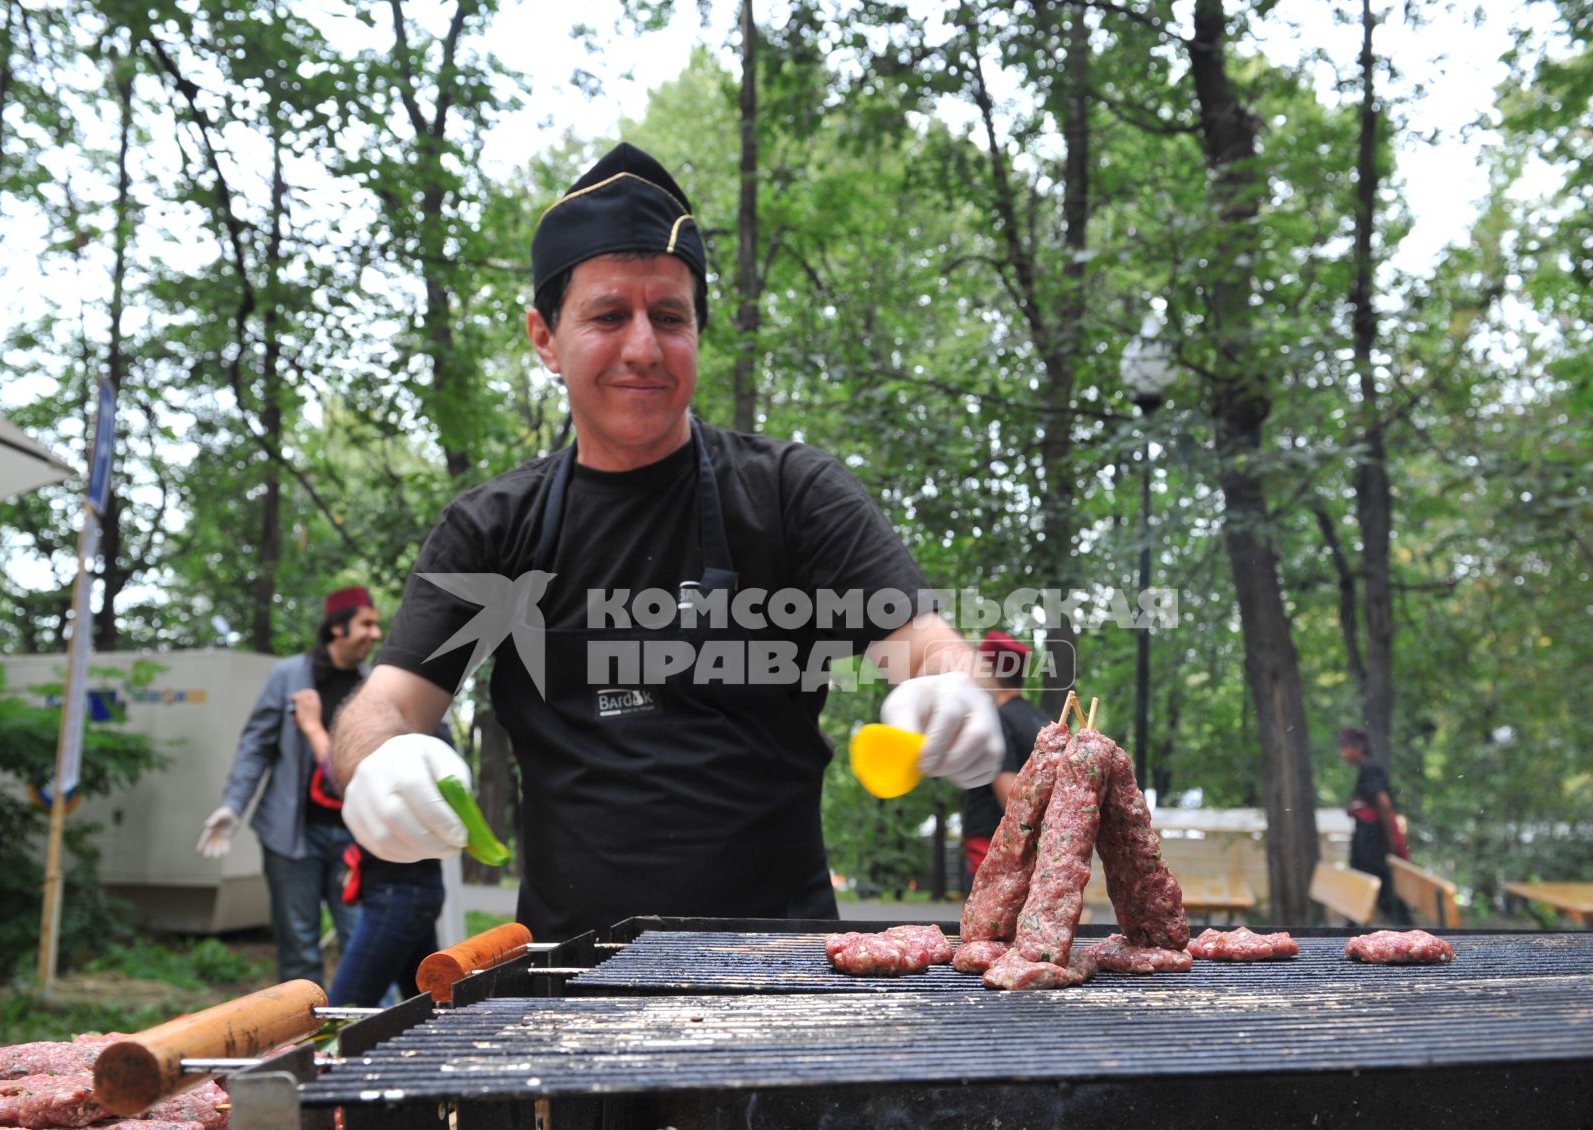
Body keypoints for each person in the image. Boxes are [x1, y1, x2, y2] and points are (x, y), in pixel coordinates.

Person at [329, 141, 1004, 941]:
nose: (643, 346)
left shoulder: (792, 494)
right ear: (545, 338)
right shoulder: (493, 529)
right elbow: (386, 703)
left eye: (670, 316)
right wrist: (373, 762)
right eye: (609, 315)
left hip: (782, 974)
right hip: (565, 979)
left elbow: (926, 644)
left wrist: (955, 692)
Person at [197, 587, 383, 983]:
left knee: (360, 940)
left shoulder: (373, 687)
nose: (376, 634)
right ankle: (305, 1037)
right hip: (291, 834)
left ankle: (370, 1035)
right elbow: (256, 745)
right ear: (337, 627)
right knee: (298, 945)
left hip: (354, 837)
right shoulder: (289, 676)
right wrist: (233, 805)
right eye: (366, 623)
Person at [291, 693, 445, 1007]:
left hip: (399, 894)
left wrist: (311, 727)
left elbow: (345, 777)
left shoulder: (412, 739)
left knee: (344, 1015)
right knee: (431, 1007)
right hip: (411, 891)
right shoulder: (427, 735)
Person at [960, 631, 1052, 883]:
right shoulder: (1044, 721)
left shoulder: (996, 719)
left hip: (996, 847)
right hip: (1040, 850)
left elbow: (1011, 795)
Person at [1340, 727, 1411, 924]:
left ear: (1359, 748)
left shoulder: (1372, 769)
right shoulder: (1365, 770)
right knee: (1365, 886)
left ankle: (1407, 927)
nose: (1343, 753)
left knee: (1381, 889)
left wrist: (1392, 842)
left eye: (1345, 747)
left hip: (1373, 844)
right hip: (1365, 843)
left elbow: (1384, 803)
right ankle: (1352, 928)